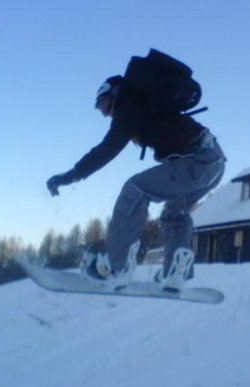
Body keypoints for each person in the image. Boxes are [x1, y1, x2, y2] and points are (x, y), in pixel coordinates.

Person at [46, 75, 225, 291]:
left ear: (115, 95)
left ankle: (115, 268)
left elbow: (108, 148)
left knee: (135, 189)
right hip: (213, 162)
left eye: (103, 106)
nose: (105, 113)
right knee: (174, 215)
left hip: (198, 163)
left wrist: (70, 175)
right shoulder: (142, 104)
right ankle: (176, 273)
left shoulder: (129, 105)